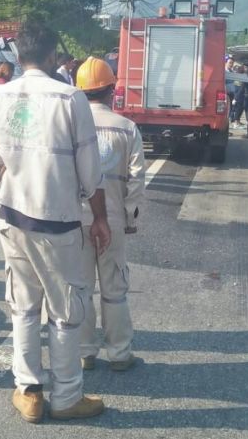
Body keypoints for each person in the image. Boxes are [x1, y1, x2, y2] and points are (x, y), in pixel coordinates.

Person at [0, 21, 111, 423]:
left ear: (17, 56)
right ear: (53, 57)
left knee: (24, 306)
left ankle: (29, 392)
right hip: (57, 223)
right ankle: (67, 396)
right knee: (66, 311)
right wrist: (101, 217)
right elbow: (91, 169)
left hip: (12, 218)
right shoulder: (70, 98)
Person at [74, 57, 145, 373]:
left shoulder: (69, 125)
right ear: (112, 89)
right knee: (114, 289)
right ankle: (119, 353)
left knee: (81, 288)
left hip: (74, 219)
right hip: (113, 218)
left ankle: (85, 352)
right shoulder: (127, 128)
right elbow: (137, 178)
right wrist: (130, 217)